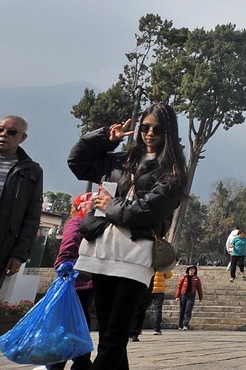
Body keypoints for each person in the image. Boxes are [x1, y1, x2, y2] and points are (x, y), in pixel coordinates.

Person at [68, 103, 187, 368]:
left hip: (135, 256)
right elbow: (77, 163)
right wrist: (104, 139)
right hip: (101, 250)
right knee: (108, 333)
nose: (150, 133)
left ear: (169, 132)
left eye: (157, 128)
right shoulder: (121, 160)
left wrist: (110, 205)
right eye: (145, 127)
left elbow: (147, 212)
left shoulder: (173, 173)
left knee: (115, 335)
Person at [47, 193, 95, 370]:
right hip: (81, 280)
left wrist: (64, 263)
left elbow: (70, 242)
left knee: (70, 324)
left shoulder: (80, 222)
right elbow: (70, 243)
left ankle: (68, 362)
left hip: (78, 280)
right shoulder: (83, 223)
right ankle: (78, 362)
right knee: (77, 324)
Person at [0, 115, 43, 289]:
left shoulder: (32, 171)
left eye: (11, 132)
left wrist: (19, 254)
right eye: (0, 130)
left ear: (22, 138)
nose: (4, 135)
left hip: (3, 248)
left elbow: (32, 217)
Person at [175, 265, 203, 330]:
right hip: (183, 295)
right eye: (190, 270)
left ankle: (185, 324)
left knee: (188, 310)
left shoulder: (197, 279)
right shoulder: (184, 278)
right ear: (188, 270)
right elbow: (179, 287)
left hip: (191, 295)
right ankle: (180, 325)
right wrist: (177, 296)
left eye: (193, 270)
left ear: (195, 271)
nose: (191, 271)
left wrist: (200, 296)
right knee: (182, 310)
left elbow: (199, 288)